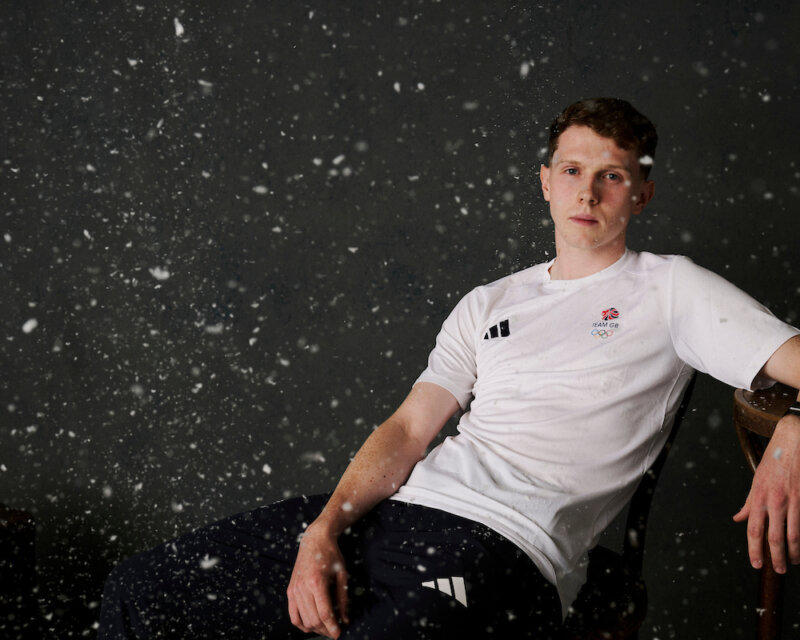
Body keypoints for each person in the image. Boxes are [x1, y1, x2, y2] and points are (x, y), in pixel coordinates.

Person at [98, 98, 800, 639]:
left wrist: (795, 426)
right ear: (546, 184)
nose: (588, 193)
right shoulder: (490, 301)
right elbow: (408, 429)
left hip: (508, 547)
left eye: (612, 176)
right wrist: (324, 530)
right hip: (398, 515)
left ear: (641, 194)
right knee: (141, 590)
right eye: (572, 171)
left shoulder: (672, 289)